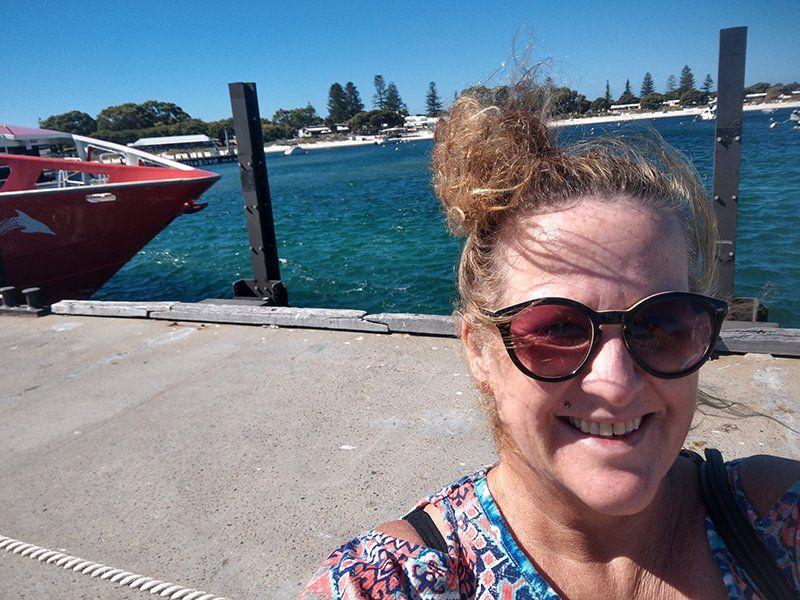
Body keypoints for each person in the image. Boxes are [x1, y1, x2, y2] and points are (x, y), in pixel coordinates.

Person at [299, 79, 800, 599]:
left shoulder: (778, 521)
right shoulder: (390, 583)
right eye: (557, 328)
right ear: (478, 351)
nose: (617, 384)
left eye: (664, 323)